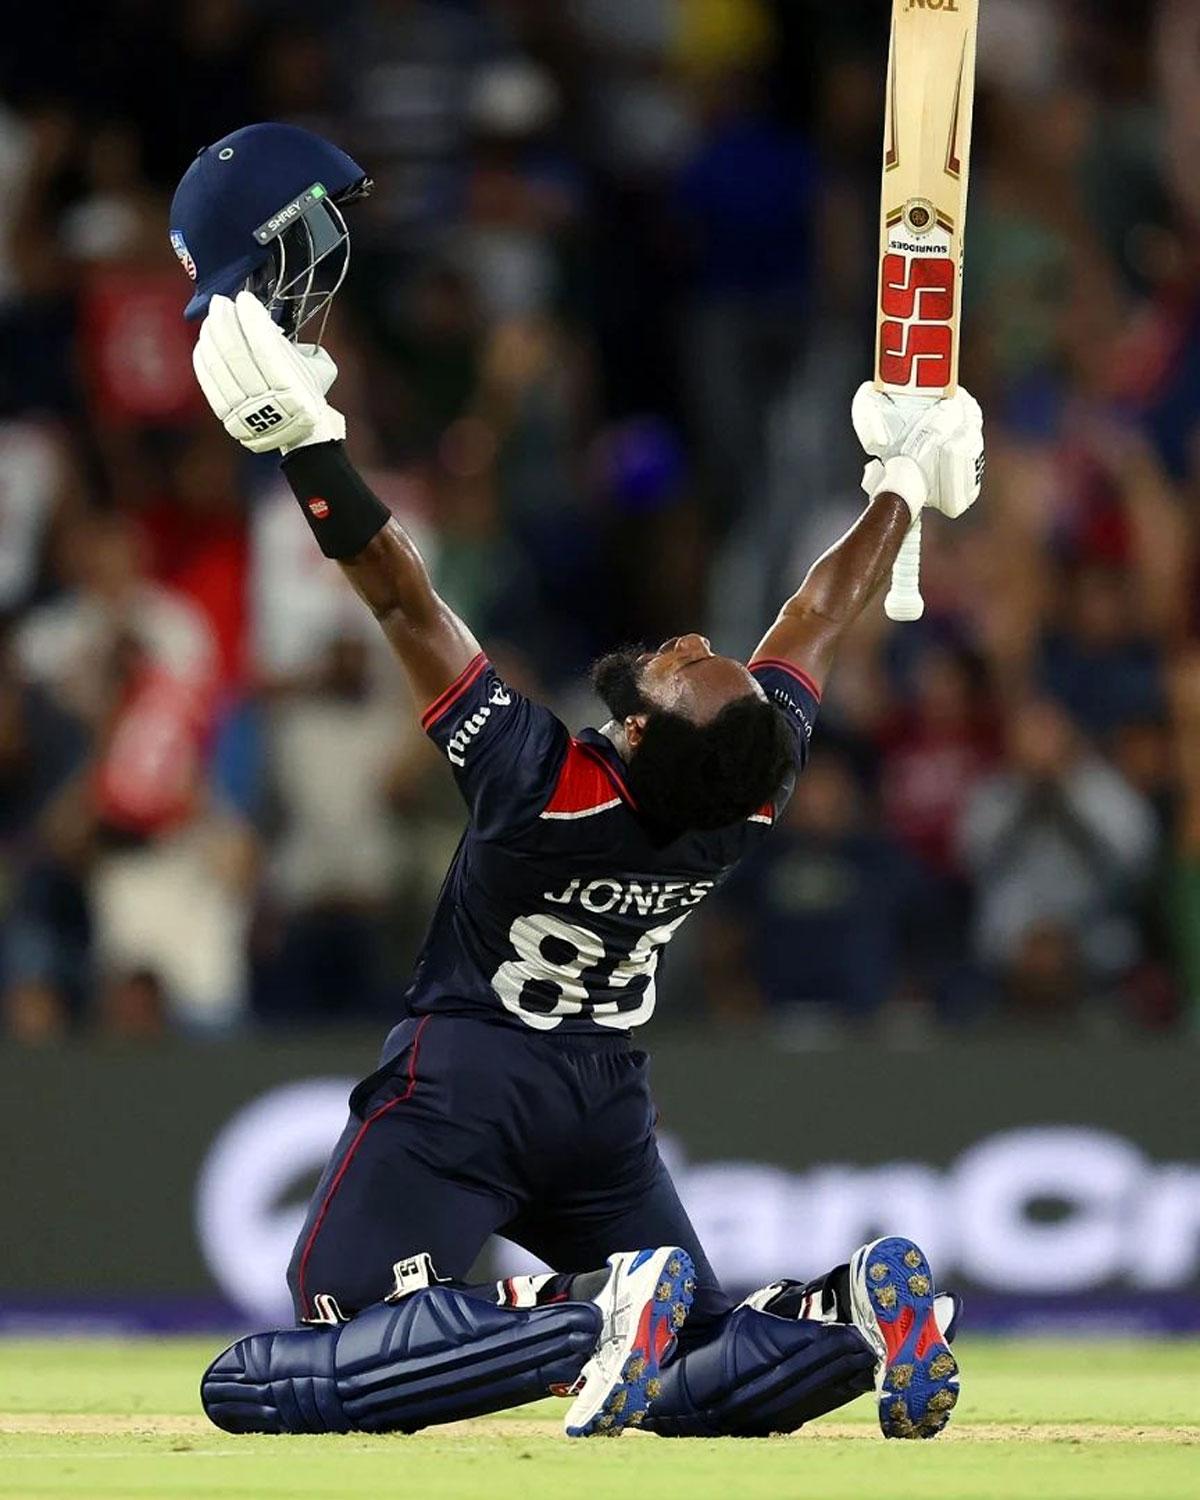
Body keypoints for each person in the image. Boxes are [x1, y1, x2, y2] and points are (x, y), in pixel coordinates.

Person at [173, 124, 983, 1442]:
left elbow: (400, 594)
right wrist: (903, 490)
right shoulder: (746, 792)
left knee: (269, 1372)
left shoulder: (530, 776)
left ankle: (589, 1313)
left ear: (652, 738)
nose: (684, 648)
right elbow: (820, 613)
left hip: (466, 1085)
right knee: (695, 1382)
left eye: (683, 674)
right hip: (601, 1106)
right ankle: (842, 1316)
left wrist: (298, 443)